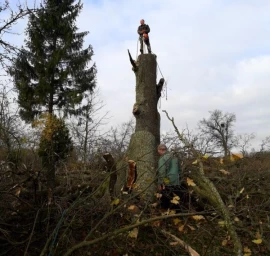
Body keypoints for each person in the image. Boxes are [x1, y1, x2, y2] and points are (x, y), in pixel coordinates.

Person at [157, 144, 181, 209]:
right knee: (176, 201)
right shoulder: (175, 157)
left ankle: (165, 215)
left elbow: (162, 172)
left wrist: (162, 183)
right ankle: (177, 215)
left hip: (167, 182)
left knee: (165, 202)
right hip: (176, 182)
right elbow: (179, 170)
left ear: (159, 150)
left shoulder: (162, 158)